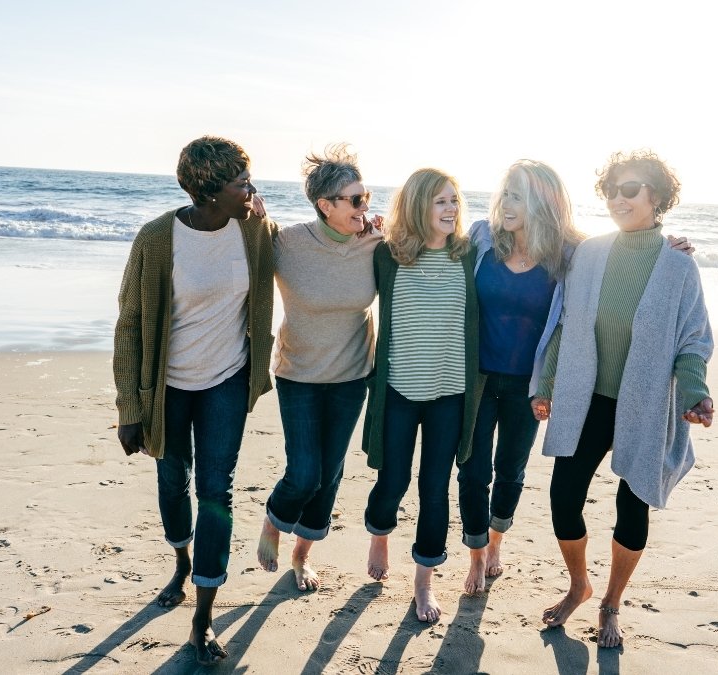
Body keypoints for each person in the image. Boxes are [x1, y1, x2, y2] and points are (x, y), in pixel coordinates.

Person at [459, 160, 694, 595]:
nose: (507, 204)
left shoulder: (570, 252)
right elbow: (431, 244)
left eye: (519, 196)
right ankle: (498, 562)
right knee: (479, 473)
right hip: (491, 381)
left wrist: (669, 253)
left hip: (556, 388)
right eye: (505, 193)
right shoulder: (481, 237)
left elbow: (680, 324)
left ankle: (508, 550)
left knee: (515, 471)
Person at [532, 149, 715, 649]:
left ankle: (611, 601)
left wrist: (696, 392)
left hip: (645, 404)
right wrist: (544, 385)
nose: (618, 198)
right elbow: (564, 325)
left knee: (632, 508)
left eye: (630, 189)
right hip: (586, 399)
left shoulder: (677, 266)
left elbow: (693, 340)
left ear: (657, 197)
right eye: (611, 190)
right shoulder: (589, 254)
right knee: (563, 500)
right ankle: (579, 586)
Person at [113, 135, 276, 665]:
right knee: (171, 480)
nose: (249, 190)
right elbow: (131, 325)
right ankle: (181, 562)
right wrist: (130, 411)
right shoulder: (157, 239)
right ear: (208, 190)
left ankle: (202, 615)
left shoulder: (252, 230)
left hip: (226, 379)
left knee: (216, 490)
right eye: (240, 183)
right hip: (167, 387)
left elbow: (303, 245)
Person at [255, 144, 383, 591]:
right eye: (354, 200)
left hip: (351, 378)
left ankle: (302, 553)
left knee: (330, 474)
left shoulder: (373, 242)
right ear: (325, 205)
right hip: (299, 375)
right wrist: (250, 214)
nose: (364, 207)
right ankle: (274, 520)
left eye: (365, 197)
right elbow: (243, 248)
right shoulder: (288, 243)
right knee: (304, 471)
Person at [361, 167, 481, 623]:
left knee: (435, 489)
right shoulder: (388, 255)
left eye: (454, 200)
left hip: (450, 393)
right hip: (397, 390)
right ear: (417, 206)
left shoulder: (470, 254)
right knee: (392, 480)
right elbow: (338, 253)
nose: (451, 209)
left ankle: (423, 582)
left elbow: (534, 245)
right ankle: (380, 532)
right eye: (440, 202)